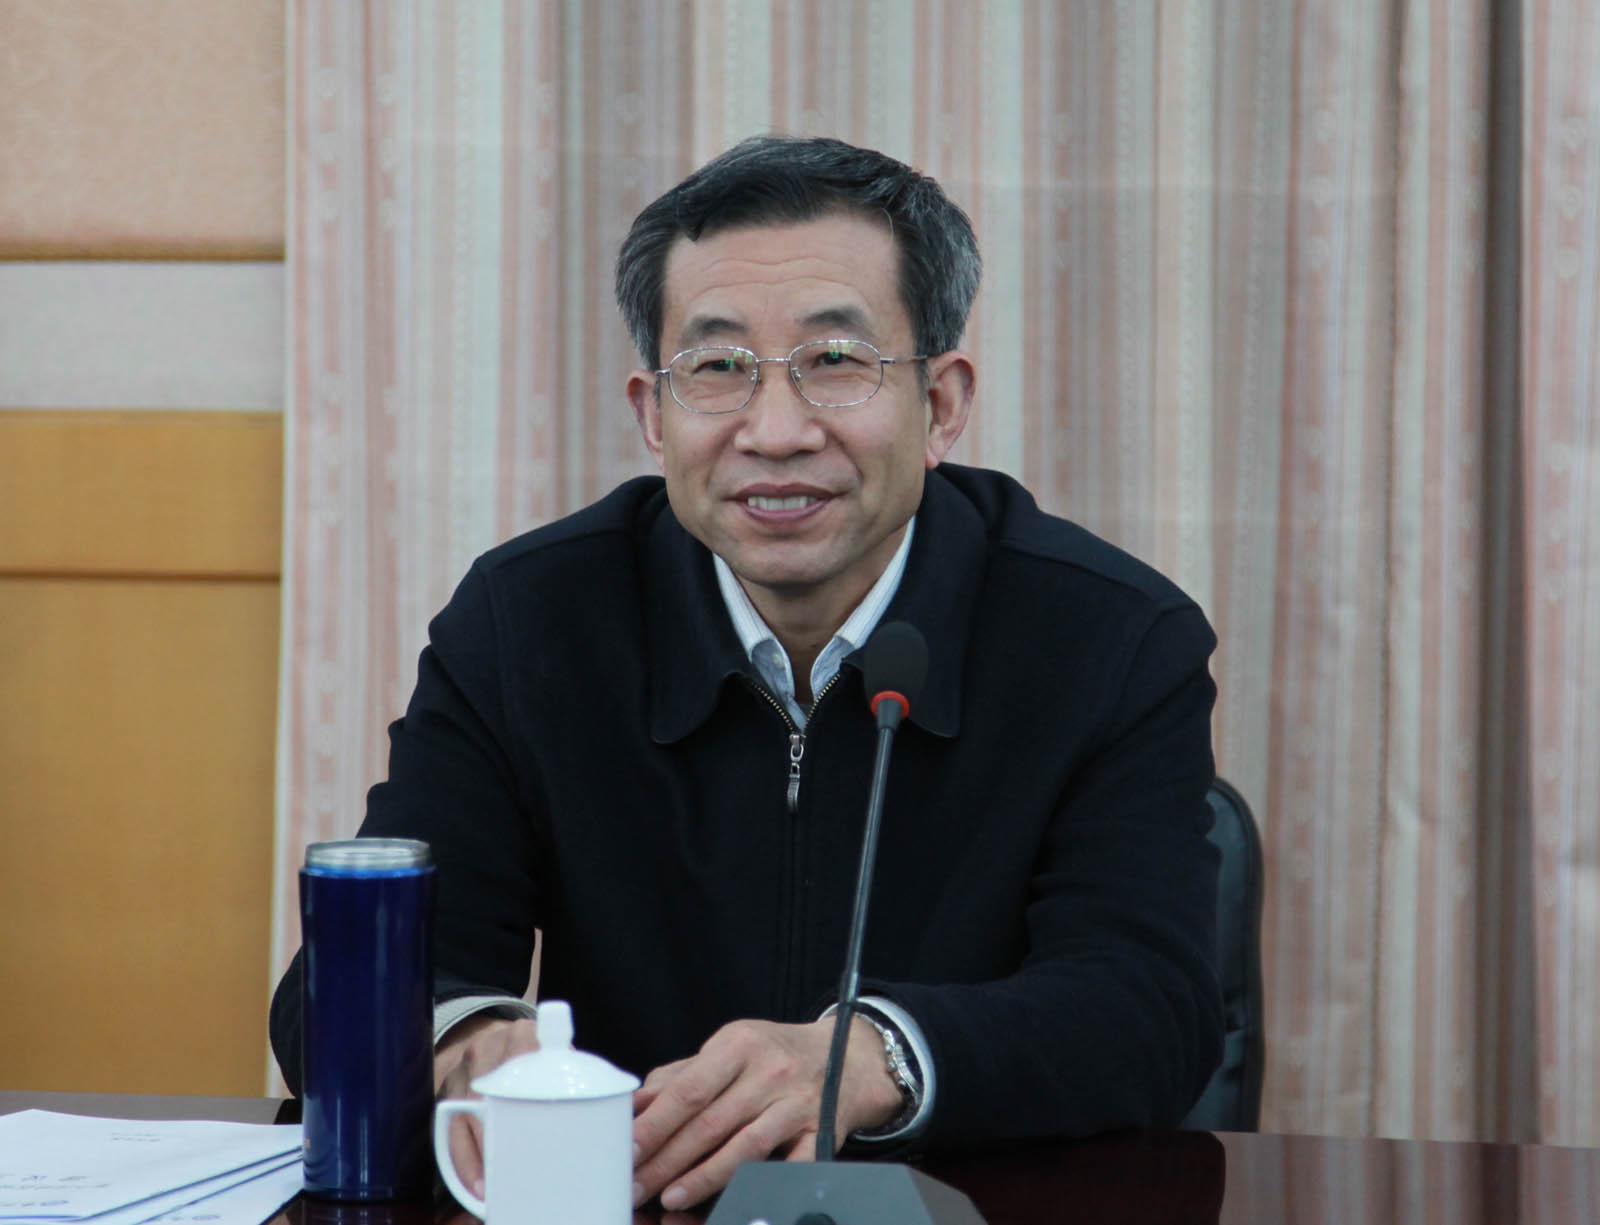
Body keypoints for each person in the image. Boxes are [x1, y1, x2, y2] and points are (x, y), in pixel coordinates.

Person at [270, 134, 1224, 1212]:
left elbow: (1151, 1007)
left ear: (942, 403)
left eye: (836, 361)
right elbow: (339, 988)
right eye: (718, 370)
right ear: (652, 414)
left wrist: (875, 1057)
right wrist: (468, 1041)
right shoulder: (529, 621)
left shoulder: (1110, 638)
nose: (774, 432)